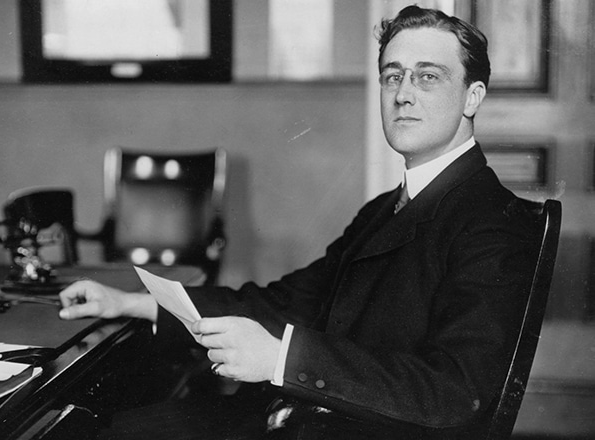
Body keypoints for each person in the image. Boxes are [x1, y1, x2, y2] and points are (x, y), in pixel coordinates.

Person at [59, 5, 541, 439]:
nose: (403, 95)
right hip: (311, 415)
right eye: (392, 76)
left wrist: (281, 359)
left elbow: (454, 393)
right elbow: (289, 302)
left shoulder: (494, 222)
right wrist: (133, 303)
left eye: (428, 77)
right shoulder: (384, 209)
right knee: (113, 427)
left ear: (472, 97)